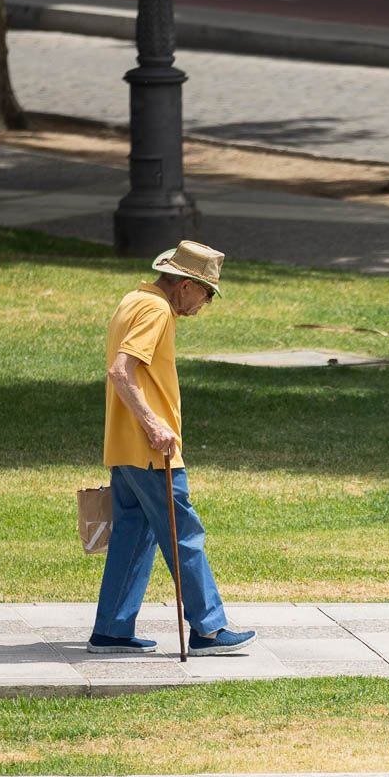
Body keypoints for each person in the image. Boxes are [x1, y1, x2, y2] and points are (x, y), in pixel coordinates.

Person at [88, 240, 256, 656]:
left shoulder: (135, 299)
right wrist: (153, 425)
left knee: (134, 534)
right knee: (184, 533)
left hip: (125, 447)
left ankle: (112, 630)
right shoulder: (157, 309)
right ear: (184, 285)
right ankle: (210, 630)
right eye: (207, 292)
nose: (206, 303)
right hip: (150, 449)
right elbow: (120, 370)